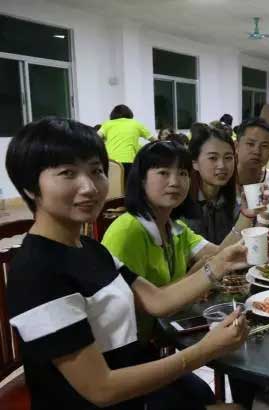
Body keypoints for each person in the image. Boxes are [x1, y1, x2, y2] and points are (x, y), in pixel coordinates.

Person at [6, 117, 247, 410]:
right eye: (68, 173)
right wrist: (204, 351)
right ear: (30, 187)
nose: (89, 187)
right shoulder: (36, 271)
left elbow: (156, 301)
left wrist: (219, 264)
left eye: (96, 171)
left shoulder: (91, 249)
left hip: (133, 384)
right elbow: (101, 389)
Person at [101, 140, 232, 342]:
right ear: (141, 180)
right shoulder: (127, 232)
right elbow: (141, 306)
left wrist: (250, 217)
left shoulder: (174, 227)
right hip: (134, 349)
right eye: (163, 172)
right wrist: (195, 275)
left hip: (167, 336)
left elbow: (222, 254)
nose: (175, 182)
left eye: (182, 173)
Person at [184, 123, 264, 245]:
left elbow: (243, 245)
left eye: (228, 158)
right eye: (213, 158)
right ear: (194, 163)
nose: (222, 165)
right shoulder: (182, 205)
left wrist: (263, 219)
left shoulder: (230, 201)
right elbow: (211, 255)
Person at [98, 104, 153, 178]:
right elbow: (154, 140)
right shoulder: (136, 124)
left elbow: (96, 138)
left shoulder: (107, 124)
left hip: (111, 162)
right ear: (129, 113)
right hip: (129, 160)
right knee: (129, 183)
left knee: (113, 184)